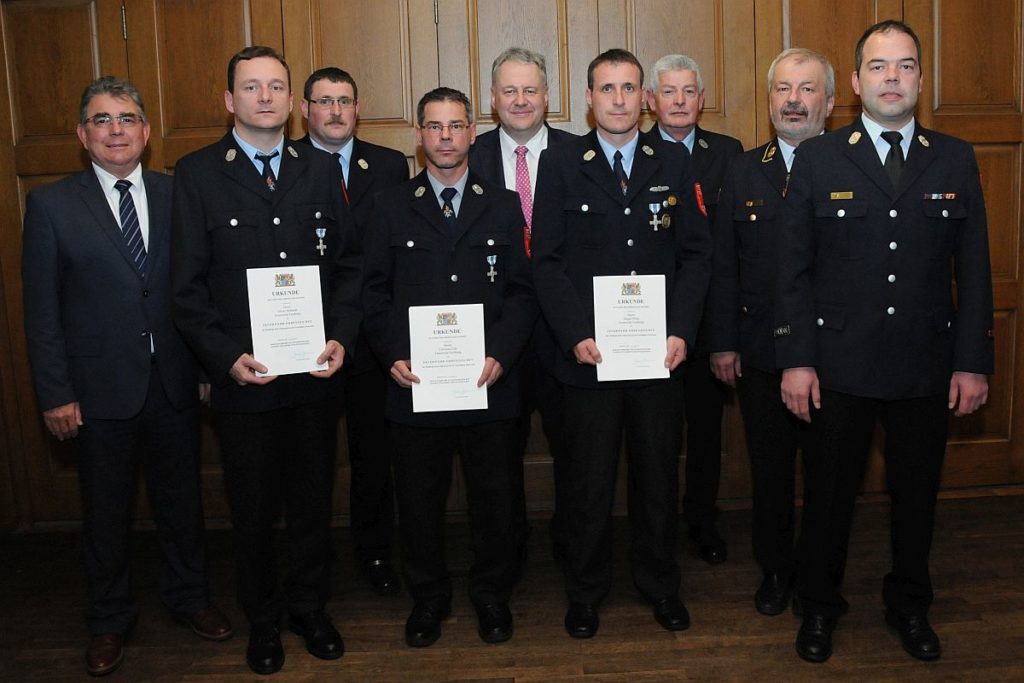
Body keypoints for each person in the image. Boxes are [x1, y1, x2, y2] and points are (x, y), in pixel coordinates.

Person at [775, 21, 993, 663]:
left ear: (921, 80)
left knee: (917, 501)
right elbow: (793, 271)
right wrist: (796, 359)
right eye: (878, 66)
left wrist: (973, 361)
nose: (891, 78)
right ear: (855, 82)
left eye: (904, 67)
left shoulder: (954, 156)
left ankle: (910, 606)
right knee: (828, 502)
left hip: (926, 365)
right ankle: (818, 609)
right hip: (837, 366)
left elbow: (974, 268)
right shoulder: (819, 157)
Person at [21, 76, 232, 677]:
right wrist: (56, 393)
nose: (117, 130)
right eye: (103, 119)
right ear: (83, 134)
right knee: (105, 513)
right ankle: (109, 619)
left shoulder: (178, 193)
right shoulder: (52, 205)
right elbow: (42, 312)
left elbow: (200, 291)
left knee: (182, 503)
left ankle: (190, 597)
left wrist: (206, 365)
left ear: (145, 130)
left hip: (175, 381)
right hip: (96, 391)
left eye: (128, 118)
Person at [171, 46, 361, 675]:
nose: (265, 97)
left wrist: (340, 337)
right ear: (230, 100)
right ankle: (263, 620)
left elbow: (348, 269)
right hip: (245, 382)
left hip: (312, 374)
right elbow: (187, 289)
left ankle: (310, 607)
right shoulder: (197, 173)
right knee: (252, 509)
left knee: (312, 500)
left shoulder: (318, 167)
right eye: (251, 87)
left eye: (276, 86)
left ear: (291, 100)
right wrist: (225, 359)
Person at [532, 49, 712, 638]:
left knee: (658, 478)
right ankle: (585, 592)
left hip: (659, 356)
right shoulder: (560, 163)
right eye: (606, 88)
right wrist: (574, 334)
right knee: (586, 483)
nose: (617, 99)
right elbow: (548, 260)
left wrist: (682, 329)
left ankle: (659, 584)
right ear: (588, 97)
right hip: (589, 359)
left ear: (647, 99)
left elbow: (695, 256)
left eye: (629, 88)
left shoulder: (675, 162)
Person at [362, 87, 536, 648]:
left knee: (495, 499)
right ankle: (429, 598)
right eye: (434, 127)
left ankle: (491, 594)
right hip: (416, 385)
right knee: (418, 501)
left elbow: (521, 293)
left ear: (471, 133)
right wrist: (392, 353)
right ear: (418, 136)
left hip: (487, 382)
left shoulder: (504, 203)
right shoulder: (390, 205)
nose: (444, 137)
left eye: (456, 126)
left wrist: (501, 354)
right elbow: (373, 293)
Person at [707, 47, 835, 616]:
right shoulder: (741, 169)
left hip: (836, 354)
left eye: (807, 89)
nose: (793, 100)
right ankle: (776, 569)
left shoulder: (850, 167)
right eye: (783, 88)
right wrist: (723, 341)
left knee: (832, 475)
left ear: (830, 102)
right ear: (768, 100)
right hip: (759, 349)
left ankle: (819, 574)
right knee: (771, 471)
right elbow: (724, 264)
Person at [299, 66, 409, 596]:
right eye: (324, 101)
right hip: (304, 341)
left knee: (373, 455)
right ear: (306, 111)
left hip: (373, 339)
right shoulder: (286, 166)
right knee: (310, 460)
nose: (336, 111)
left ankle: (375, 552)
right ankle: (310, 560)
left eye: (345, 100)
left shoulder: (388, 166)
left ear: (358, 108)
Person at [468, 46, 577, 564]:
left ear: (548, 96)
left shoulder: (580, 156)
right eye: (508, 90)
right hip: (497, 335)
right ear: (492, 99)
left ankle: (571, 545)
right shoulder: (468, 155)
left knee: (576, 447)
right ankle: (505, 553)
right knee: (497, 455)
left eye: (530, 89)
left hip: (567, 333)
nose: (520, 100)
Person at [641, 54, 742, 565]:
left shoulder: (728, 153)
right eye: (669, 92)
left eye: (689, 91)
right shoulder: (632, 152)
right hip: (643, 325)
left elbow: (727, 250)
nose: (679, 102)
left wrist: (724, 333)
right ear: (650, 101)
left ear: (702, 99)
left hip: (707, 319)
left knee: (704, 431)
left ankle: (701, 519)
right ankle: (653, 528)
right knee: (654, 435)